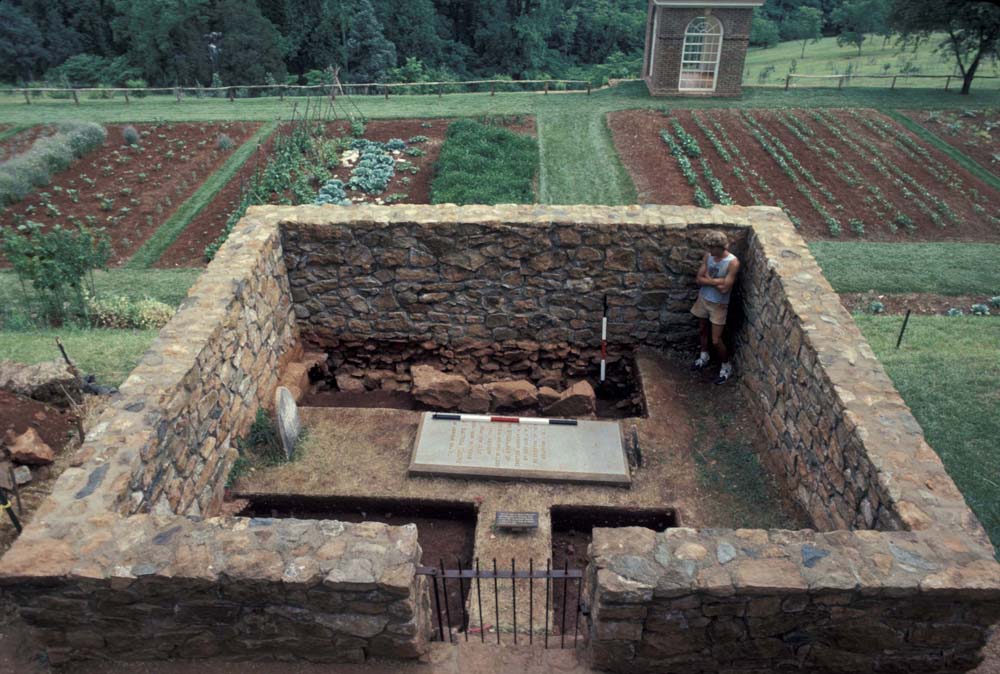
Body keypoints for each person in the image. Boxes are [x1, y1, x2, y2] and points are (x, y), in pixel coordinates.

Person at [690, 231, 740, 384]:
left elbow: (725, 289)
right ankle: (704, 356)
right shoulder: (708, 256)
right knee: (702, 330)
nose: (709, 251)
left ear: (720, 247)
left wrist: (709, 279)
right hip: (703, 298)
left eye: (711, 248)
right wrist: (717, 281)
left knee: (716, 340)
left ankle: (726, 366)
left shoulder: (732, 263)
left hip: (719, 304)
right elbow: (699, 279)